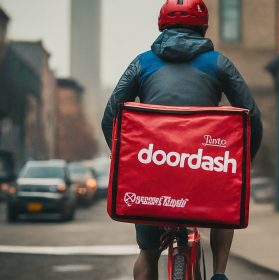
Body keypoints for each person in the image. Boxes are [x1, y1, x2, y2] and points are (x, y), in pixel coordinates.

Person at [101, 0, 263, 279]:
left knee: (147, 254)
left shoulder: (142, 63)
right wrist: (239, 166)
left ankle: (152, 255)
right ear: (203, 26)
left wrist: (125, 161)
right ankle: (220, 273)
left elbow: (109, 117)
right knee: (225, 191)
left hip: (152, 173)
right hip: (204, 169)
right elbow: (253, 118)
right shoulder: (219, 63)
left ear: (162, 26)